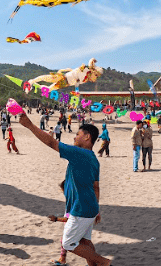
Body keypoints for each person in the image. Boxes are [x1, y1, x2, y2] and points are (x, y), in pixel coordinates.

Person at [18, 112, 110, 266]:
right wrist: (97, 209)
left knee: (68, 243)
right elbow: (96, 187)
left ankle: (105, 262)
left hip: (81, 209)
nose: (74, 137)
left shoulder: (79, 153)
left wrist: (29, 125)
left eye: (77, 134)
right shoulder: (93, 158)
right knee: (85, 242)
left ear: (87, 137)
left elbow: (51, 143)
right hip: (90, 208)